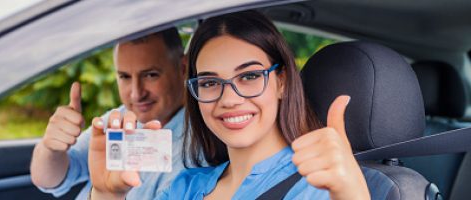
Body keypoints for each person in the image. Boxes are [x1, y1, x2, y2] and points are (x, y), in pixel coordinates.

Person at [86, 11, 371, 199]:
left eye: (249, 76)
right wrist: (105, 195)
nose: (229, 99)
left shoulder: (319, 186)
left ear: (281, 81)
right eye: (210, 83)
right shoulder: (187, 188)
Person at [30, 28, 187, 199]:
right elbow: (49, 180)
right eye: (125, 77)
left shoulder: (198, 145)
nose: (136, 94)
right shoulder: (123, 117)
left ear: (183, 68)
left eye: (150, 75)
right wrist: (51, 148)